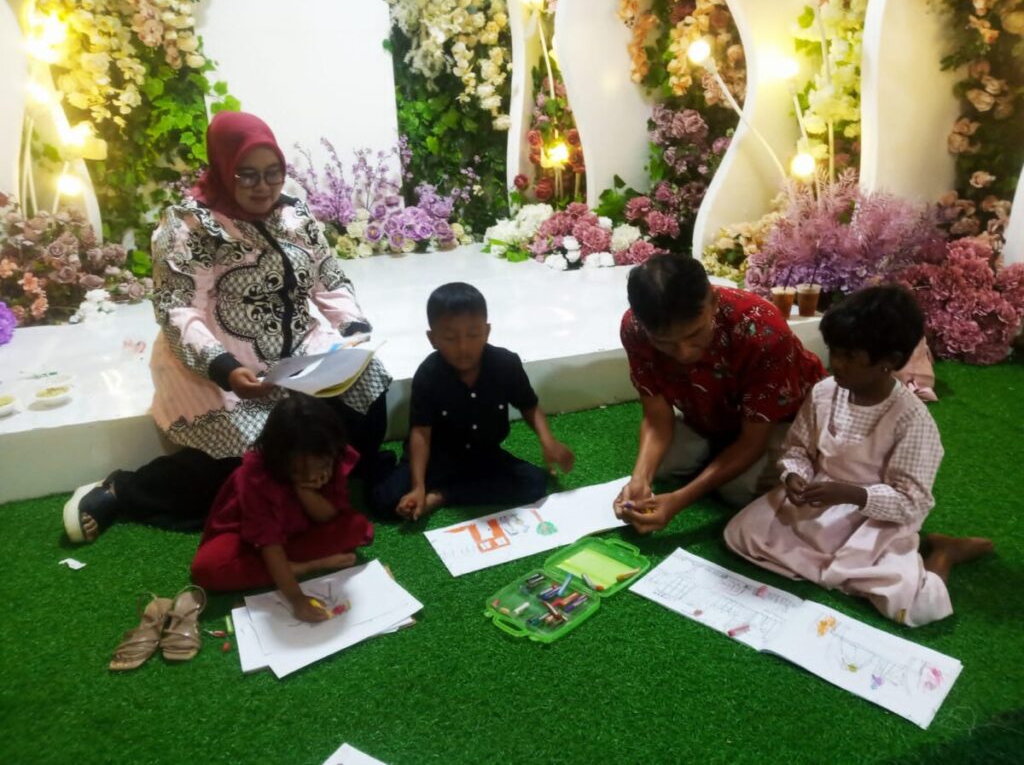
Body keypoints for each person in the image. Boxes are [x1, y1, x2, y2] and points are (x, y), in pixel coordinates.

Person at [63, 111, 390, 544]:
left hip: (301, 349)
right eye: (247, 174)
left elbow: (328, 277)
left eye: (273, 173)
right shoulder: (190, 226)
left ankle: (321, 484)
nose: (263, 186)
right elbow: (178, 309)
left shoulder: (294, 214)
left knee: (368, 396)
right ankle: (123, 490)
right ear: (222, 168)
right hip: (225, 361)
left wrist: (351, 330)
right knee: (241, 464)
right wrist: (225, 368)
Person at [724, 286, 993, 627]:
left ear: (889, 362)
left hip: (872, 518)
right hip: (817, 503)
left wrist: (854, 495)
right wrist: (795, 475)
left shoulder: (912, 420)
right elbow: (798, 449)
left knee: (912, 606)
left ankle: (945, 553)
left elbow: (912, 502)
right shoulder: (824, 392)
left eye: (850, 356)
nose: (836, 363)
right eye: (834, 351)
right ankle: (835, 569)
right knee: (740, 534)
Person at [614, 253, 825, 533]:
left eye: (694, 334)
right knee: (662, 466)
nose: (683, 353)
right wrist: (639, 479)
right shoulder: (635, 328)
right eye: (665, 343)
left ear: (713, 302)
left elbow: (753, 440)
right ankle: (720, 457)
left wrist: (679, 501)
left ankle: (741, 461)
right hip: (711, 416)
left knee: (737, 489)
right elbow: (656, 419)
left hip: (783, 420)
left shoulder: (761, 330)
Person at [371, 282, 575, 519]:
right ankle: (394, 468)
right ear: (432, 338)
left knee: (534, 483)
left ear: (487, 332)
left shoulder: (505, 364)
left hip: (484, 454)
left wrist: (547, 440)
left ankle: (442, 496)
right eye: (450, 338)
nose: (463, 347)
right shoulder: (428, 374)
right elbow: (421, 434)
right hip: (437, 458)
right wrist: (418, 486)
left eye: (473, 334)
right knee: (384, 501)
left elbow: (529, 406)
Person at [191, 395, 373, 622]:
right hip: (251, 538)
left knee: (355, 527)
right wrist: (297, 596)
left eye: (321, 466)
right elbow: (269, 544)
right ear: (279, 459)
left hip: (300, 530)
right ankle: (299, 567)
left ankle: (285, 568)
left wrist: (304, 490)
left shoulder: (328, 452)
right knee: (207, 569)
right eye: (299, 470)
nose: (312, 475)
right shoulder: (256, 475)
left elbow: (327, 516)